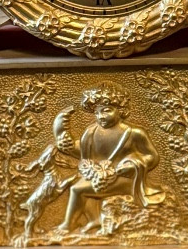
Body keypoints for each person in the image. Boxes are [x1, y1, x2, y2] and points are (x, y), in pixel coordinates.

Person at [55, 88, 166, 235]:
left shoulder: (134, 134)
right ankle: (94, 220)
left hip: (126, 179)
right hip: (101, 176)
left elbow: (152, 156)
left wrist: (132, 165)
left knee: (77, 189)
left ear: (121, 110)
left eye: (106, 111)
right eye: (97, 113)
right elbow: (83, 153)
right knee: (78, 183)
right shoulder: (90, 132)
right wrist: (66, 145)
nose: (100, 116)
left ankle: (68, 225)